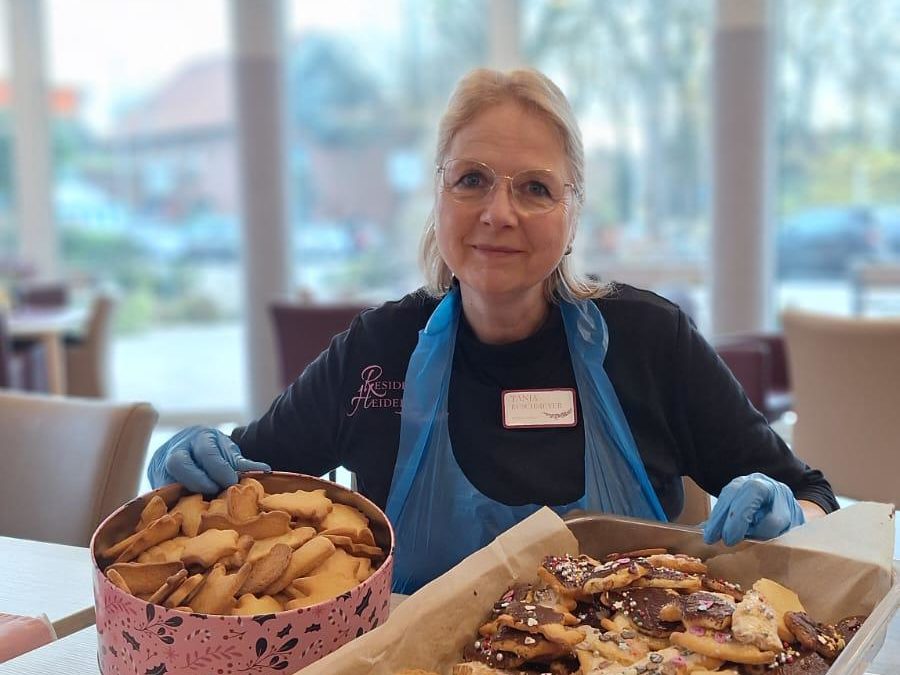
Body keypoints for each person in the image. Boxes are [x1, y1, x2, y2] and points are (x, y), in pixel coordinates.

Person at [149, 68, 837, 594]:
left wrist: (787, 516)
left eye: (535, 188)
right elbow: (244, 494)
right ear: (439, 195)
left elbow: (815, 495)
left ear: (573, 212)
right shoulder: (377, 354)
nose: (498, 212)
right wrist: (184, 467)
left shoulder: (649, 341)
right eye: (472, 179)